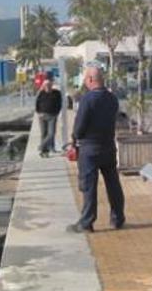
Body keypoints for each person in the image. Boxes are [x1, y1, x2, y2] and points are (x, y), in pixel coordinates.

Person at [69, 66, 126, 233]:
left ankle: (87, 222)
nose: (85, 83)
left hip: (89, 148)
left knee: (89, 186)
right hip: (108, 146)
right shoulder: (112, 98)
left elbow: (80, 125)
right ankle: (118, 219)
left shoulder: (88, 99)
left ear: (91, 80)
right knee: (113, 184)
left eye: (86, 80)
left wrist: (74, 138)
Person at [35, 79, 62, 157]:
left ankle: (42, 146)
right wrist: (38, 112)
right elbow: (37, 103)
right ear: (43, 86)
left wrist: (57, 112)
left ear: (51, 85)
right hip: (42, 116)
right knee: (43, 133)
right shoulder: (41, 93)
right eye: (46, 85)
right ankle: (44, 152)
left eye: (49, 85)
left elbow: (59, 103)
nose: (47, 87)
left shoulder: (57, 93)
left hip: (52, 116)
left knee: (51, 133)